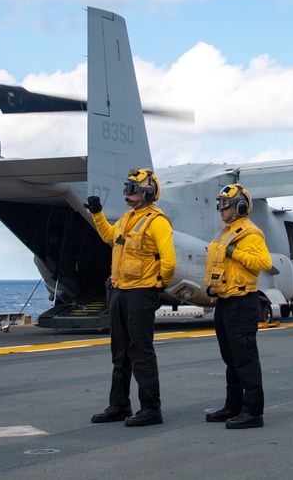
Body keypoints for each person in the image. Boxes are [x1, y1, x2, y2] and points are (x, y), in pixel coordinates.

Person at [86, 168, 176, 427]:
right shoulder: (127, 219)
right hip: (120, 291)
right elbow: (108, 237)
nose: (128, 193)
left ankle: (151, 409)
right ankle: (119, 404)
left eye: (132, 189)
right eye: (127, 188)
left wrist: (157, 285)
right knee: (120, 351)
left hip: (140, 293)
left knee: (141, 351)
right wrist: (97, 213)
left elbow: (169, 261)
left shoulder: (157, 221)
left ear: (147, 192)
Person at [203, 184, 273, 429]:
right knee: (231, 359)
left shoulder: (251, 233)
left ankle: (253, 412)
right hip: (224, 300)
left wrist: (235, 253)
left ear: (240, 206)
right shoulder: (226, 231)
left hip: (242, 301)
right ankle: (232, 406)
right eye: (219, 204)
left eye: (225, 205)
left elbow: (264, 261)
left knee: (245, 359)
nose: (220, 209)